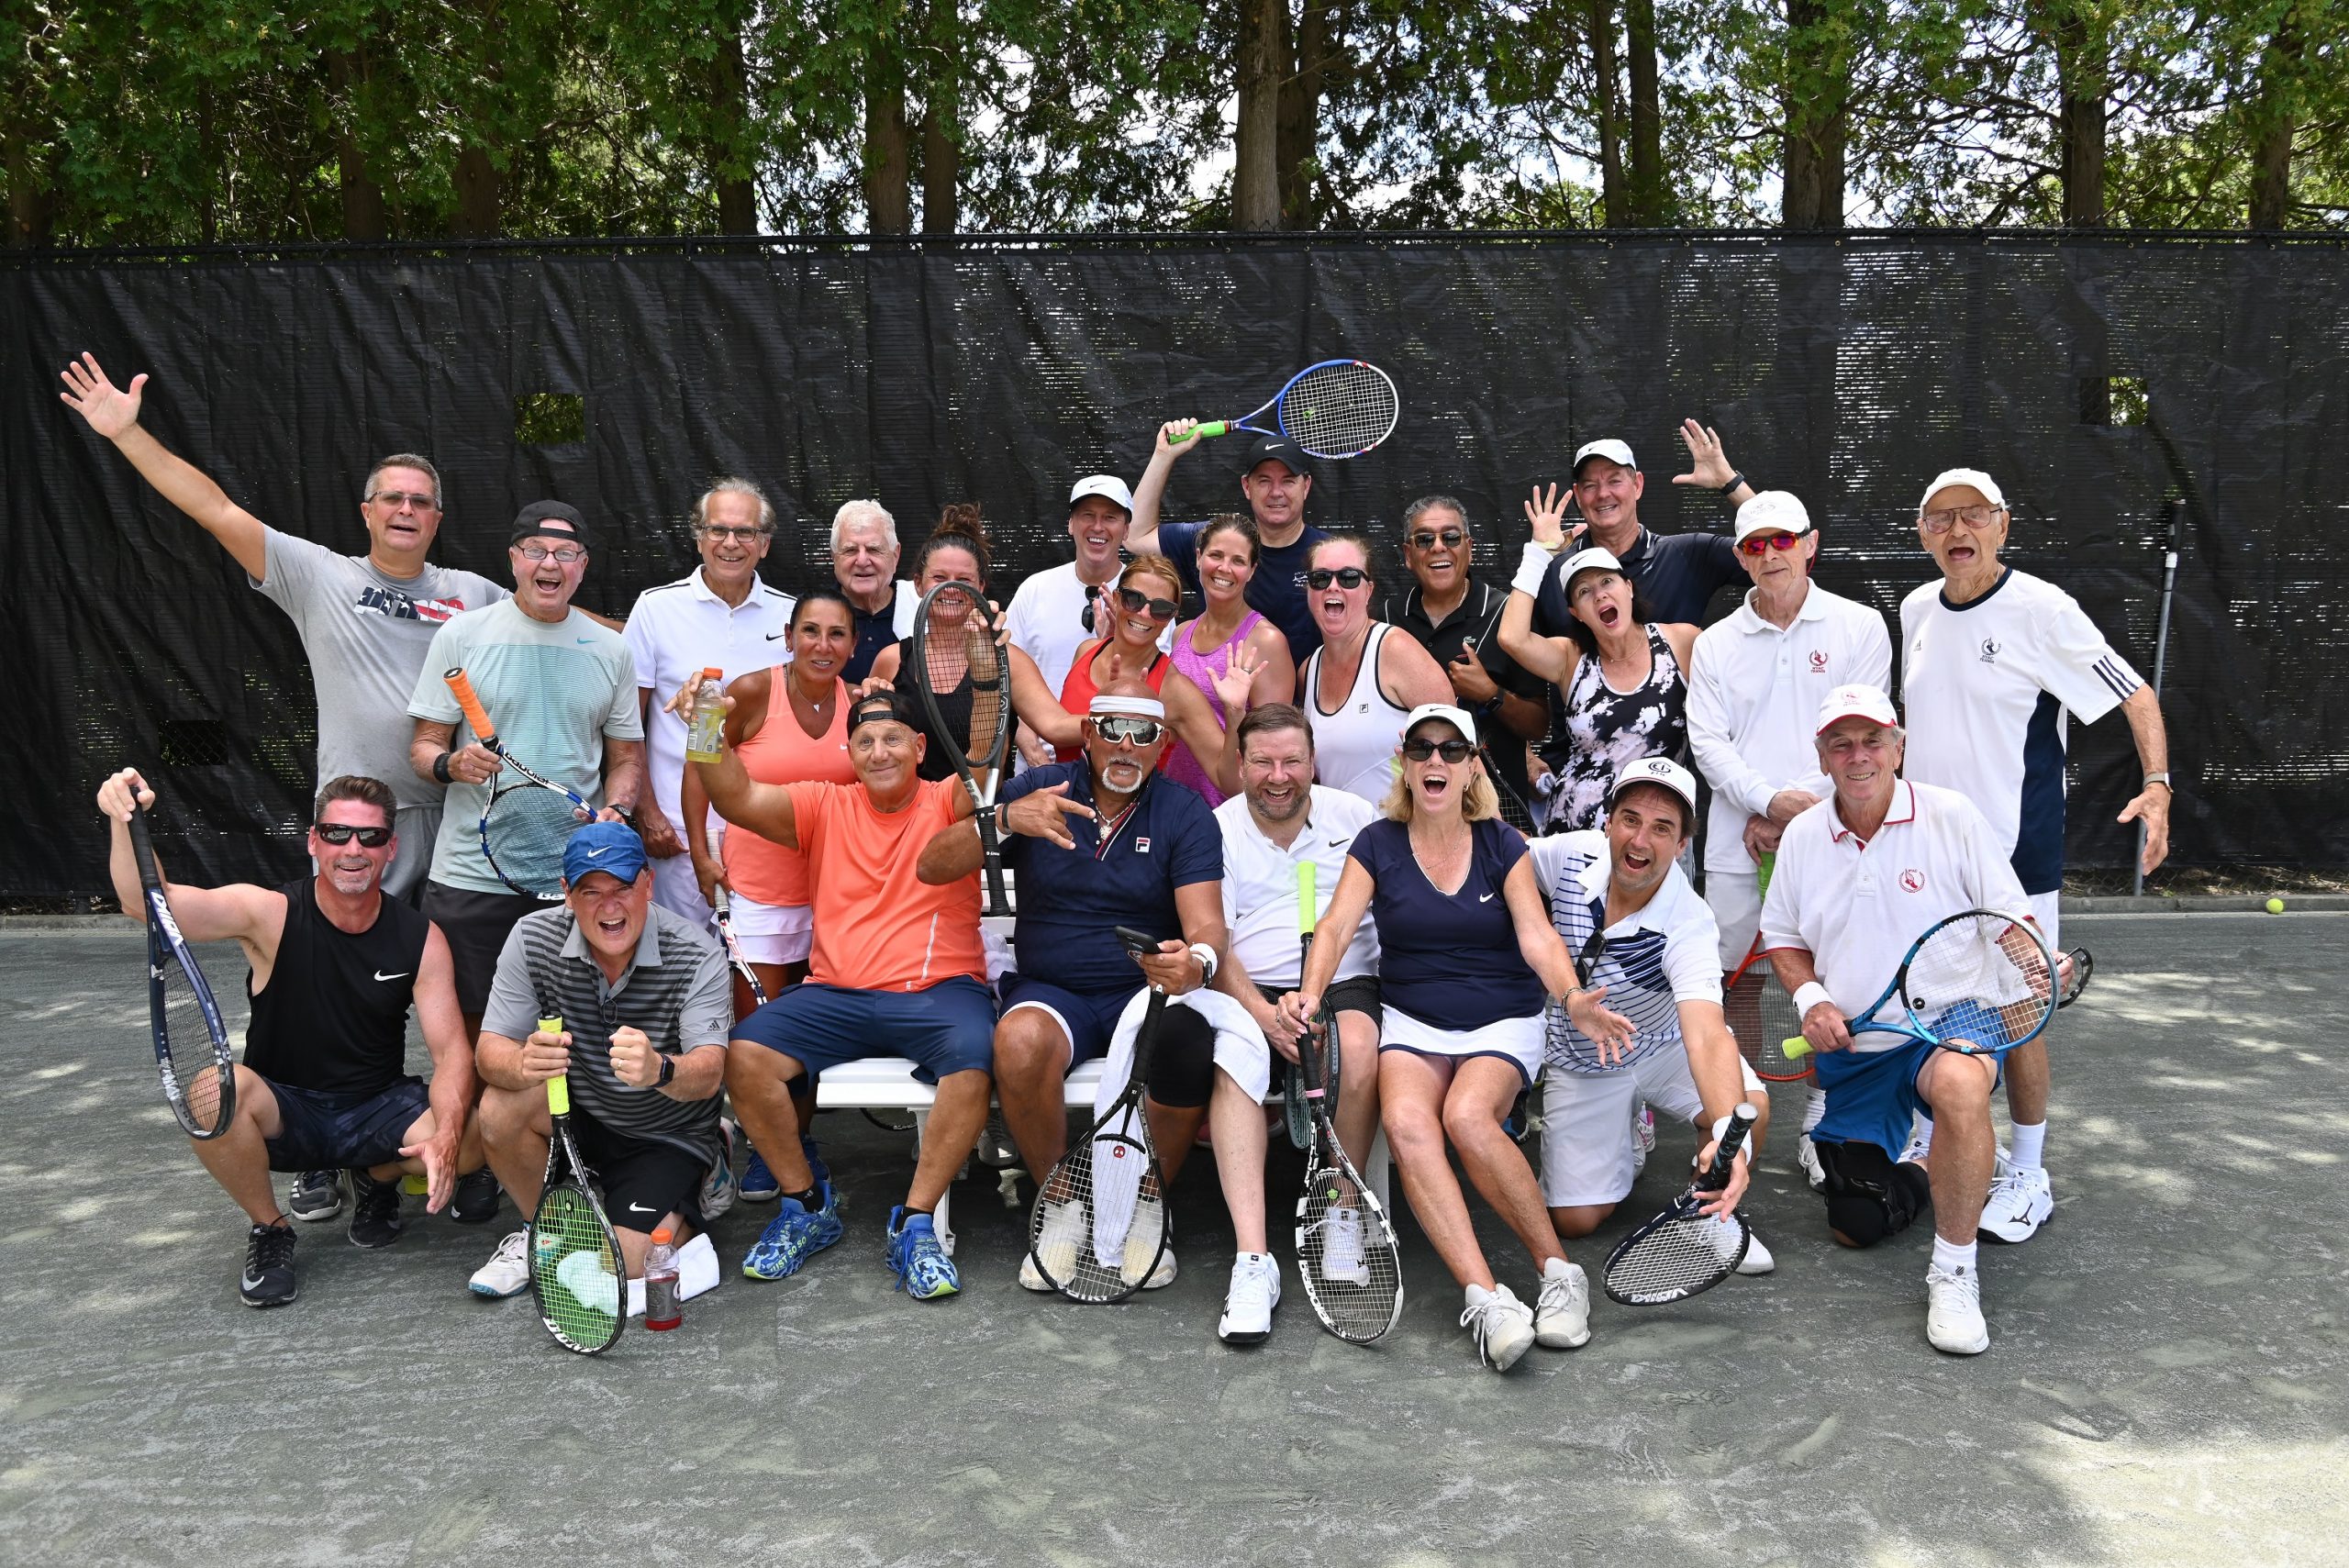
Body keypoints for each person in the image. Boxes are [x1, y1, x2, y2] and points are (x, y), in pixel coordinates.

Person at [58, 354, 509, 906]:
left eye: (421, 501)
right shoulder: (319, 574)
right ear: (367, 512)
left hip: (459, 809)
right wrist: (127, 434)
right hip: (360, 819)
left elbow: (556, 617)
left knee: (449, 967)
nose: (406, 509)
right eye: (393, 497)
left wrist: (646, 625)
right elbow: (216, 510)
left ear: (437, 520)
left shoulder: (476, 592)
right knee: (353, 965)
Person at [926, 683, 1274, 1335]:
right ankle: (1059, 1201)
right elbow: (931, 864)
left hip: (1142, 989)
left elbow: (1205, 924)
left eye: (1144, 734)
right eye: (1112, 729)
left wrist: (1194, 960)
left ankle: (1148, 1201)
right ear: (1086, 733)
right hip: (1053, 988)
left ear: (1164, 747)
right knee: (1019, 1041)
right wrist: (1005, 819)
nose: (1126, 746)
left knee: (1184, 1039)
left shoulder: (1182, 810)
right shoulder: (1043, 787)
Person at [1893, 468, 2173, 1242]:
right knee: (1934, 997)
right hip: (1929, 855)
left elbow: (2135, 695)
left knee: (2022, 1015)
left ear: (2003, 526)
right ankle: (1934, 1139)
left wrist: (2158, 783)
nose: (1957, 530)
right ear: (1923, 534)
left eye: (1973, 516)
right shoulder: (1916, 608)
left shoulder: (2043, 611)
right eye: (1940, 518)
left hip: (2017, 857)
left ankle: (2029, 1171)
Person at [1283, 705, 1598, 1372]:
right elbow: (1336, 926)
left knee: (1466, 1117)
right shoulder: (1377, 842)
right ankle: (1486, 1298)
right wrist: (1312, 991)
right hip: (1414, 1021)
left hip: (1502, 1016)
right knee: (1406, 1121)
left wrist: (1570, 995)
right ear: (1405, 761)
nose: (1435, 761)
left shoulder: (1502, 844)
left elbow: (1538, 935)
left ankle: (1560, 1273)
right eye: (1422, 748)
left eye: (1451, 750)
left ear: (1472, 765)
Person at [96, 769, 478, 1308]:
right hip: (287, 1108)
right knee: (210, 1089)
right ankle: (271, 1228)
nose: (353, 849)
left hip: (377, 1106)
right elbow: (150, 904)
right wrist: (121, 819)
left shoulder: (420, 937)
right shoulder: (268, 914)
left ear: (390, 848)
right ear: (313, 841)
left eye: (370, 836)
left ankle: (377, 1174)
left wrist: (448, 1133)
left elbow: (452, 1052)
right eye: (337, 833)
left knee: (476, 1131)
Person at [1764, 684, 2054, 1355]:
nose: (1858, 755)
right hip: (1863, 1047)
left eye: (1872, 740)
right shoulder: (1804, 836)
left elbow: (2010, 917)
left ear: (1899, 745)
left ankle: (1953, 1272)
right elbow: (1783, 938)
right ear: (1822, 754)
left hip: (1952, 1016)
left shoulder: (1952, 815)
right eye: (1842, 742)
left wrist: (2038, 964)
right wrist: (1812, 1001)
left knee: (1957, 1085)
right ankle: (1934, 1157)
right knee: (1855, 1221)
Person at [696, 688, 994, 1300]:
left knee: (973, 1059)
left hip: (937, 992)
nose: (879, 751)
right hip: (837, 996)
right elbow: (733, 794)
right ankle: (806, 1205)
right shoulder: (822, 803)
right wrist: (704, 722)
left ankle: (915, 1223)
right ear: (849, 752)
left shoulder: (949, 796)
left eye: (892, 739)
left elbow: (984, 759)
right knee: (745, 1056)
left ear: (919, 747)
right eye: (864, 741)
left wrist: (988, 678)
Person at [1683, 490, 1890, 1187]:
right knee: (1736, 985)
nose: (1769, 554)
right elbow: (1707, 743)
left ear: (1811, 542)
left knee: (1833, 980)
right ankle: (1736, 1124)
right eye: (1754, 545)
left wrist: (1798, 811)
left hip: (1835, 832)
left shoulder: (1861, 627)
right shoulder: (1714, 645)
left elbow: (1859, 736)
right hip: (1737, 840)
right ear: (1741, 558)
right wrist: (1765, 801)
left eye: (1782, 540)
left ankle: (1821, 1122)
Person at [406, 501, 643, 1057]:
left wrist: (620, 809)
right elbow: (423, 746)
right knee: (472, 1041)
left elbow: (626, 760)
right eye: (536, 551)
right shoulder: (462, 636)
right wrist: (450, 765)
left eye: (566, 553)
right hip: (471, 876)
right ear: (513, 559)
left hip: (575, 880)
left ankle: (554, 1143)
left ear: (583, 566)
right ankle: (473, 1141)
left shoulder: (611, 649)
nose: (550, 564)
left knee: (573, 1039)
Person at [463, 823, 730, 1309]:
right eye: (591, 891)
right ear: (567, 894)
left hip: (664, 1132)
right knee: (500, 1106)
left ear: (648, 883)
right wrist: (524, 1062)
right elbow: (489, 1052)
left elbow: (710, 1071)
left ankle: (714, 1161)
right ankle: (538, 1230)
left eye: (623, 888)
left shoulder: (698, 952)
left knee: (629, 1261)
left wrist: (660, 1070)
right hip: (580, 1115)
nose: (610, 907)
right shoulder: (531, 936)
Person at [1528, 758, 1765, 1269]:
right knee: (1576, 1220)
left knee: (1749, 1114)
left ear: (1682, 847)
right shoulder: (1568, 856)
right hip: (1581, 1059)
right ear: (1607, 822)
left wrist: (1728, 1132)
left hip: (1664, 1048)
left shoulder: (1690, 921)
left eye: (1663, 829)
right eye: (1631, 819)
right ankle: (1631, 1126)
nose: (1641, 840)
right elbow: (1500, 861)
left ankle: (1709, 1218)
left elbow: (1705, 1034)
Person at [1209, 705, 1385, 1282]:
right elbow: (1214, 940)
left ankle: (1341, 1212)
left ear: (1313, 763)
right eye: (1263, 762)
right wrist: (1262, 1015)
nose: (1278, 776)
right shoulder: (1219, 828)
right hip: (1251, 986)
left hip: (1346, 977)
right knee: (1235, 1060)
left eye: (1292, 761)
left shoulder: (1357, 817)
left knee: (1357, 1047)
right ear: (1240, 765)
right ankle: (1252, 1254)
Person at [621, 478, 796, 924]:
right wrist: (647, 811)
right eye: (718, 530)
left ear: (765, 545)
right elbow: (627, 724)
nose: (730, 544)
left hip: (764, 827)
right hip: (676, 833)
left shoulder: (793, 617)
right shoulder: (655, 608)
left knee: (754, 966)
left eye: (746, 533)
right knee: (684, 962)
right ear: (699, 539)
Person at [682, 590, 858, 1008]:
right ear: (788, 636)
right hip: (758, 896)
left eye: (837, 634)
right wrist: (699, 855)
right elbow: (697, 766)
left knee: (821, 1032)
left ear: (852, 646)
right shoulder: (749, 689)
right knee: (757, 1032)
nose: (822, 645)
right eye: (810, 631)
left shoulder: (861, 703)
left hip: (836, 897)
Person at [1499, 502, 1698, 831]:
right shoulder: (1571, 658)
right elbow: (1511, 637)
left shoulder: (1681, 642)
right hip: (1573, 833)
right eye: (1584, 591)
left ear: (1628, 589)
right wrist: (1537, 552)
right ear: (1576, 612)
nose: (1600, 596)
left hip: (1651, 839)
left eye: (1607, 582)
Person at [1007, 555, 1252, 800]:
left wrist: (1234, 713)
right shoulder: (1087, 651)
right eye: (1134, 600)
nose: (1145, 614)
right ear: (1116, 598)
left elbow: (1230, 782)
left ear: (1170, 619)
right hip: (1067, 812)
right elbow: (1059, 734)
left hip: (1132, 826)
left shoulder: (1175, 689)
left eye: (1160, 608)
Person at [1377, 496, 1549, 822]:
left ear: (1469, 547)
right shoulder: (1384, 618)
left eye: (1451, 537)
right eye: (1424, 539)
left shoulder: (1507, 614)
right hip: (1406, 810)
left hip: (1492, 812)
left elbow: (1539, 724)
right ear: (1408, 555)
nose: (1438, 547)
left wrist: (1491, 695)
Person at [1528, 425, 1754, 637]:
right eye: (1590, 486)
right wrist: (1539, 553)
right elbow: (1521, 646)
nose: (1603, 494)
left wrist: (1730, 483)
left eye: (1615, 481)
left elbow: (1778, 552)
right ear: (1578, 495)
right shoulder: (1555, 571)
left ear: (1637, 485)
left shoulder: (1687, 555)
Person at [1002, 476, 1164, 766]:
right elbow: (1008, 675)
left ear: (1126, 529)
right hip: (1037, 768)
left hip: (1115, 766)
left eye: (1110, 517)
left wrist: (1116, 647)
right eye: (1087, 515)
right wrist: (1033, 750)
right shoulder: (1034, 590)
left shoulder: (1149, 600)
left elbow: (1156, 688)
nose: (1098, 526)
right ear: (1071, 525)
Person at [1130, 428, 1330, 661]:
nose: (1276, 492)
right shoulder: (1216, 543)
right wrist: (1163, 455)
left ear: (1305, 486)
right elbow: (1135, 536)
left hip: (1302, 696)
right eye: (1264, 481)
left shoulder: (1329, 557)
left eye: (1288, 481)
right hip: (1217, 694)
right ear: (1247, 486)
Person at [1297, 535, 1453, 806]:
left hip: (1407, 840)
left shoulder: (1396, 650)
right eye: (1321, 578)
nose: (1333, 587)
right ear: (1309, 590)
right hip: (1344, 844)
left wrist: (1493, 833)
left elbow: (1460, 751)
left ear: (1368, 590)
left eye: (1348, 577)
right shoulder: (1307, 672)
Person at [1160, 516, 1297, 805]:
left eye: (1238, 560)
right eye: (1216, 555)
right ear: (1198, 558)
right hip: (1176, 804)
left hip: (1232, 811)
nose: (1224, 568)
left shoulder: (1266, 641)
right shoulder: (1181, 634)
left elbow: (1275, 746)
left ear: (1252, 570)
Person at [865, 511, 997, 784]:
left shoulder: (1007, 660)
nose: (950, 588)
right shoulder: (891, 659)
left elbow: (1054, 726)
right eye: (939, 577)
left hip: (980, 814)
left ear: (981, 587)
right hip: (913, 817)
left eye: (964, 580)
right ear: (918, 584)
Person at [830, 499, 920, 683]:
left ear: (895, 555)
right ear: (834, 557)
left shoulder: (924, 606)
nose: (862, 561)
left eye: (873, 549)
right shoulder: (810, 614)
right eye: (850, 550)